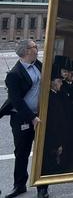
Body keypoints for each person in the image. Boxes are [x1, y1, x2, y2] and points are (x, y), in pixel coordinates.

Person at [0, 40, 44, 198]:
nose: (37, 49)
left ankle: (42, 187)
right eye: (34, 47)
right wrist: (32, 118)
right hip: (22, 119)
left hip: (41, 115)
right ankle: (19, 185)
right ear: (26, 51)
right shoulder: (14, 74)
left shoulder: (39, 65)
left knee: (42, 153)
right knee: (22, 152)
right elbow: (17, 101)